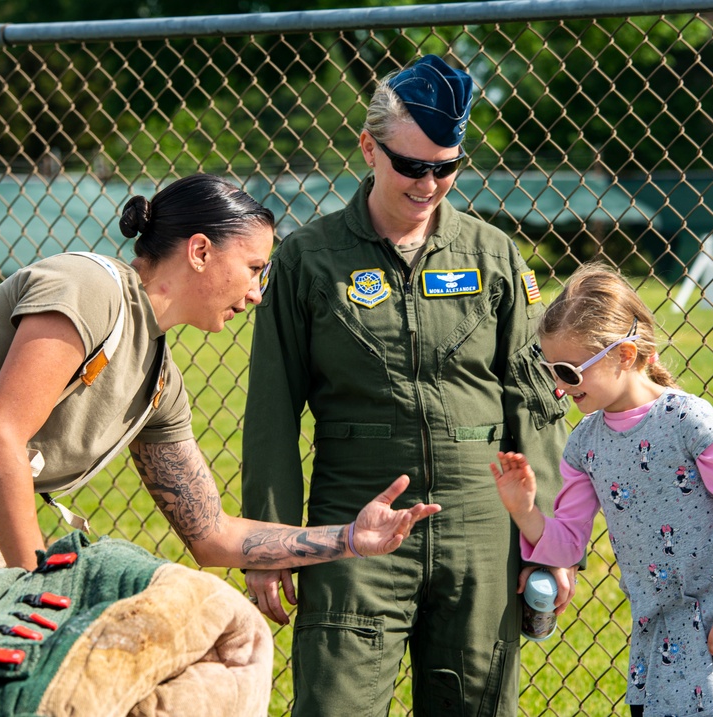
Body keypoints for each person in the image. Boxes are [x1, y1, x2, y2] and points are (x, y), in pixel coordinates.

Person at [0, 174, 440, 653]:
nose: (260, 291)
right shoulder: (91, 288)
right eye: (255, 267)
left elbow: (210, 535)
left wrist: (349, 539)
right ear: (201, 250)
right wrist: (35, 594)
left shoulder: (160, 382)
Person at [241, 55, 572, 716]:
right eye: (411, 166)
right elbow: (272, 411)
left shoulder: (493, 255)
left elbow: (532, 400)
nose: (429, 184)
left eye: (446, 167)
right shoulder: (309, 260)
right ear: (369, 146)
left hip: (479, 522)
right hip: (355, 522)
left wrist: (547, 538)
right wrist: (270, 541)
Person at [490, 263, 713, 716]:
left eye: (569, 372)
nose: (557, 386)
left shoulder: (689, 421)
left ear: (626, 355)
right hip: (656, 627)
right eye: (549, 369)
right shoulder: (584, 444)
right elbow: (568, 544)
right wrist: (525, 511)